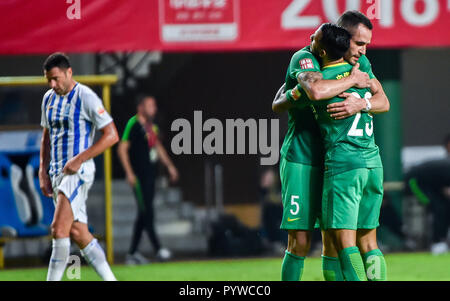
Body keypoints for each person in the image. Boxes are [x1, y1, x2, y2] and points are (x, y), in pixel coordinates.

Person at [273, 11, 390, 281]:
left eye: (366, 45)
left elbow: (382, 99)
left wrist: (363, 103)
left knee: (334, 244)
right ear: (342, 38)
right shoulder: (306, 58)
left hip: (337, 161)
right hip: (303, 156)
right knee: (300, 242)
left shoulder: (360, 61)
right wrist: (353, 81)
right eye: (359, 43)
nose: (363, 51)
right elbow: (313, 91)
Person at [39, 53, 118, 281]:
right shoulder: (48, 99)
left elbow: (111, 135)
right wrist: (42, 170)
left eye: (56, 78)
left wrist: (80, 159)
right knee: (78, 233)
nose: (53, 85)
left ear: (69, 72)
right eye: (48, 80)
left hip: (77, 172)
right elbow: (46, 135)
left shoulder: (86, 97)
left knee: (58, 229)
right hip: (56, 174)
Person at [117, 94, 179, 264]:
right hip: (138, 177)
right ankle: (158, 249)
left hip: (150, 176)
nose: (154, 109)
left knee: (144, 214)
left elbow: (158, 147)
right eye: (150, 105)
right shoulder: (133, 124)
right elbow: (122, 149)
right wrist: (129, 173)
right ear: (141, 108)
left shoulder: (152, 127)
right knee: (147, 212)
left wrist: (170, 167)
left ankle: (133, 253)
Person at [404, 134, 450, 255]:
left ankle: (440, 240)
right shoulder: (446, 166)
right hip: (414, 181)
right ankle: (436, 243)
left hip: (431, 185)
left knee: (443, 208)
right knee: (438, 208)